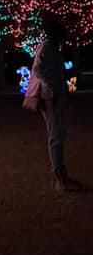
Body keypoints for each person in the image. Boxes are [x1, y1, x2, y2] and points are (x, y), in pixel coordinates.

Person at [26, 18, 82, 193]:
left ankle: (61, 175)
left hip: (55, 97)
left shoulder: (53, 49)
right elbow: (37, 70)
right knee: (55, 137)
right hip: (50, 98)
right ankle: (59, 177)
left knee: (59, 136)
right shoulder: (46, 48)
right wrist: (50, 88)